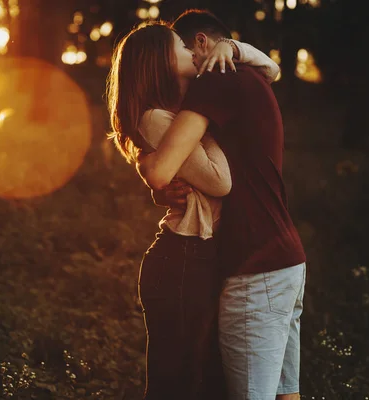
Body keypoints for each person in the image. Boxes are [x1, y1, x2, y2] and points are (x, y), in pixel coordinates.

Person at [106, 19, 281, 400]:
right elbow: (220, 181)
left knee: (203, 380)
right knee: (178, 384)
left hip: (199, 256)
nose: (190, 50)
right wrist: (205, 122)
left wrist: (232, 48)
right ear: (158, 61)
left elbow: (272, 69)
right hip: (182, 259)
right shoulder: (158, 118)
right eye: (179, 47)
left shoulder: (177, 111)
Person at [138, 9, 307, 400]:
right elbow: (274, 69)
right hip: (286, 260)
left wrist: (145, 164)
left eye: (182, 44)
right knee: (286, 394)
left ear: (201, 44)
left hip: (255, 266)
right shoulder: (247, 75)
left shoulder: (213, 80)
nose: (183, 53)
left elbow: (164, 168)